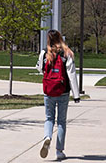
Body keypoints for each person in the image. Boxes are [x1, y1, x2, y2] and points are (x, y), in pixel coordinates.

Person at [37, 29, 80, 161]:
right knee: (61, 122)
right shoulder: (66, 53)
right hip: (63, 91)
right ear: (61, 38)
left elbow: (39, 68)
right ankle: (59, 151)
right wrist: (76, 95)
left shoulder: (44, 52)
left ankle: (47, 137)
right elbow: (71, 74)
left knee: (49, 118)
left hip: (49, 91)